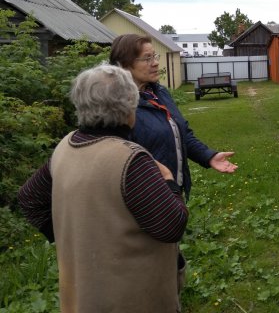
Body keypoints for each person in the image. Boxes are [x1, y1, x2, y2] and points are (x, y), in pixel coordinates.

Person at [18, 64, 188, 312]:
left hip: (83, 295)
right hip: (133, 297)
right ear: (128, 106)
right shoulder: (131, 159)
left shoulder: (66, 147)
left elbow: (29, 199)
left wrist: (78, 244)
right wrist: (170, 182)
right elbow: (172, 226)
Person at [109, 34, 237, 201]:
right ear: (124, 65)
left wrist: (208, 155)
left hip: (173, 191)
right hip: (144, 200)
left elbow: (182, 133)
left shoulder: (159, 93)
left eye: (154, 56)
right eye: (147, 58)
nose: (155, 63)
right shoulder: (118, 106)